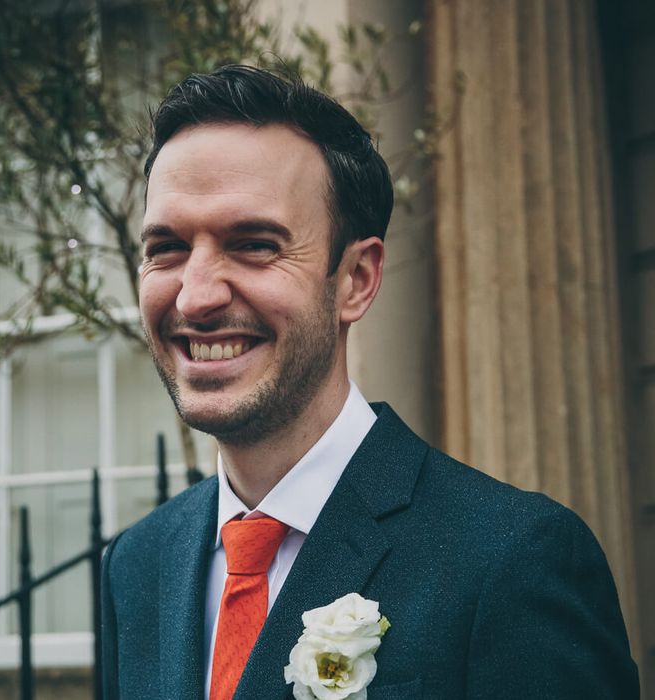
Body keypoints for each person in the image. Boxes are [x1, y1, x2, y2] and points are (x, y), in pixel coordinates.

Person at [101, 65, 638, 699]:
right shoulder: (137, 565)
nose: (195, 296)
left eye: (253, 244)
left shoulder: (515, 560)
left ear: (356, 279)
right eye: (166, 248)